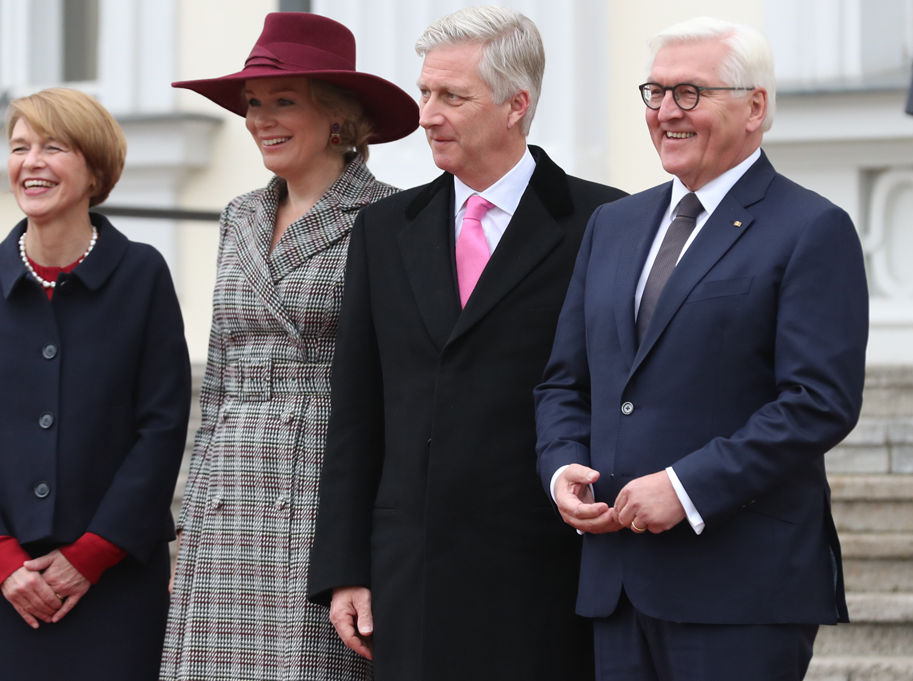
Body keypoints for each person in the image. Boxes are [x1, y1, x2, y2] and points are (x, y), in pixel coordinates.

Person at [534, 17, 867, 680]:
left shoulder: (811, 228)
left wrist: (687, 488)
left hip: (739, 589)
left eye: (689, 93)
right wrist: (562, 464)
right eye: (654, 93)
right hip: (616, 583)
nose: (664, 112)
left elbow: (817, 403)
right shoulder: (615, 224)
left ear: (755, 106)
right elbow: (565, 382)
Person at [306, 7, 625, 680]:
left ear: (517, 105)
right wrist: (344, 569)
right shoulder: (385, 229)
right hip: (410, 576)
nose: (427, 114)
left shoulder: (605, 222)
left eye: (452, 96)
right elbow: (356, 411)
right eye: (425, 93)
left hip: (544, 575)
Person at [160, 12, 419, 681]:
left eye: (282, 102)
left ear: (337, 117)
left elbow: (396, 391)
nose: (260, 120)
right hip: (227, 493)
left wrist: (370, 544)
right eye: (253, 105)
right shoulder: (239, 216)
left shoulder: (388, 218)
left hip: (319, 490)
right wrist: (186, 521)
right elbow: (215, 377)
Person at [0, 88, 192, 681]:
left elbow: (162, 427)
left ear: (95, 168)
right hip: (0, 589)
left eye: (54, 147)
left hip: (114, 584)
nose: (32, 162)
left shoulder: (143, 275)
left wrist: (91, 555)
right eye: (20, 147)